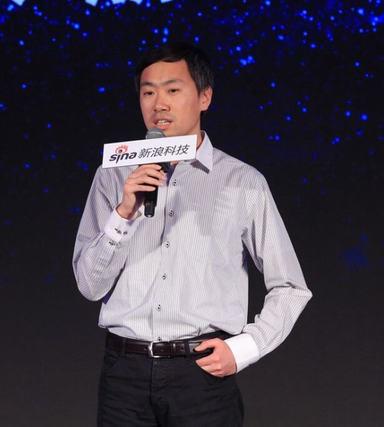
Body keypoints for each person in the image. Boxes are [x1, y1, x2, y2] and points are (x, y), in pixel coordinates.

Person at [73, 42, 312, 427]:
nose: (159, 104)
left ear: (204, 97)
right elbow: (89, 285)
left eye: (172, 90)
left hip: (200, 376)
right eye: (148, 92)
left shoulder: (242, 181)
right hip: (123, 375)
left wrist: (244, 348)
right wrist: (124, 213)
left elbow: (290, 286)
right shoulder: (113, 177)